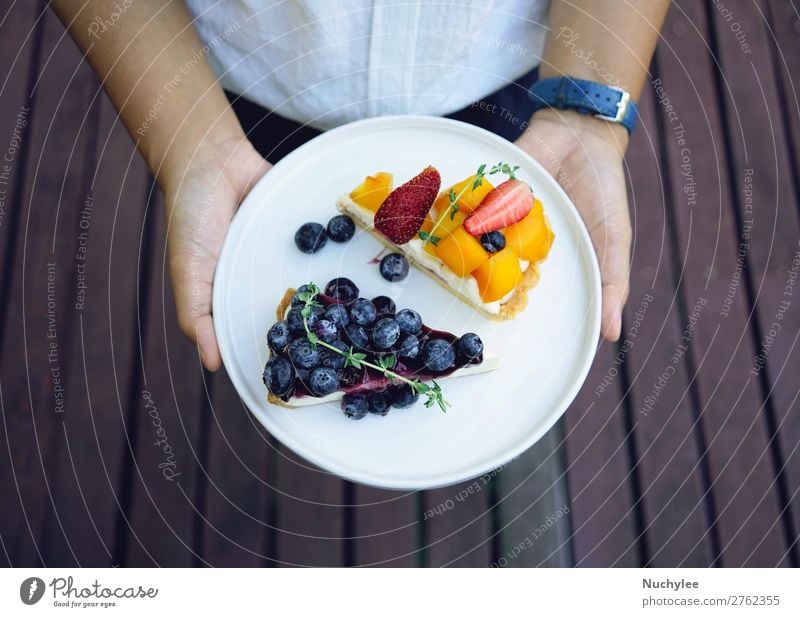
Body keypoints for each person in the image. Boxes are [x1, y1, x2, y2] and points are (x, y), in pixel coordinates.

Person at [53, 0, 670, 371]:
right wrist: (190, 140)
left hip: (505, 76)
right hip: (234, 88)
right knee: (257, 282)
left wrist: (585, 110)